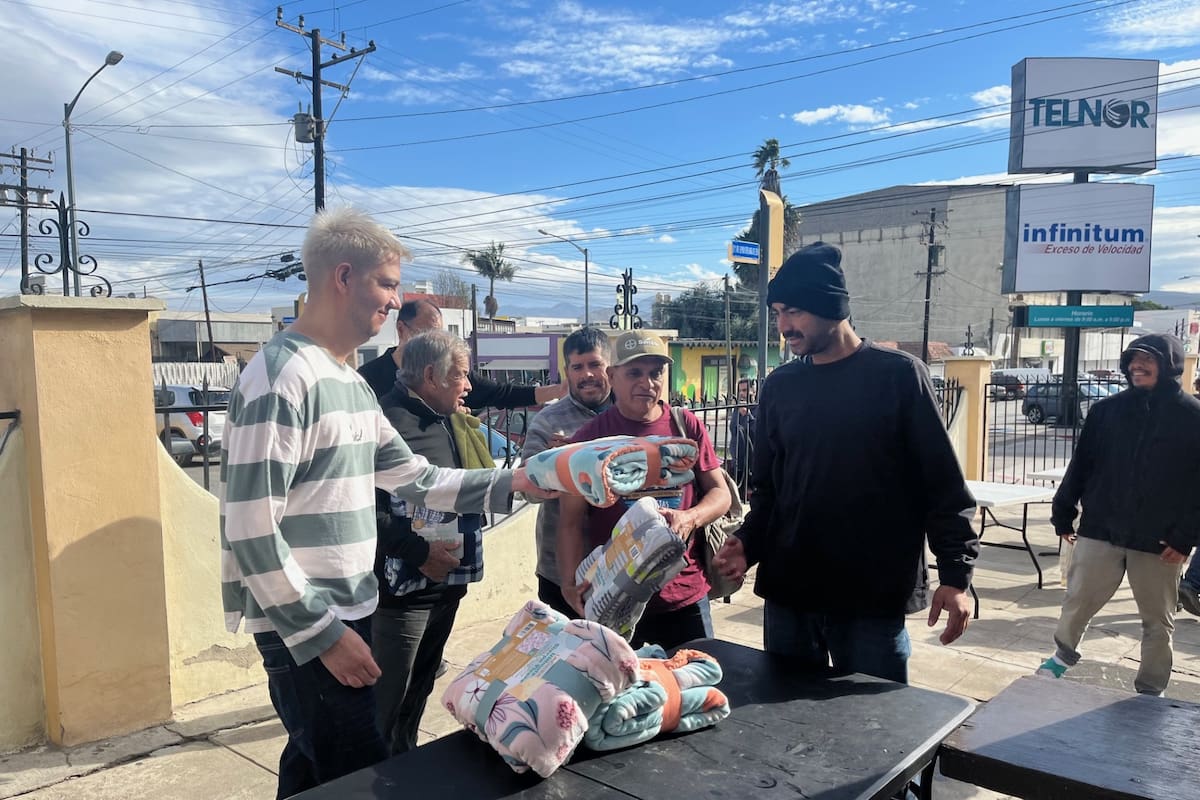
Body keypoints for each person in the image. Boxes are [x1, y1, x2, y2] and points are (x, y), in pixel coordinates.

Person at [219, 207, 551, 798]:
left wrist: (517, 482)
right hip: (310, 629)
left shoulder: (344, 379)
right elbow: (250, 530)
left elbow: (416, 478)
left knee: (311, 774)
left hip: (346, 613)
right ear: (343, 276)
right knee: (366, 781)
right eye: (388, 284)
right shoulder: (280, 376)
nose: (396, 303)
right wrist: (322, 635)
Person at [712, 241, 979, 685]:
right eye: (776, 313)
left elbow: (942, 486)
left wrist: (956, 575)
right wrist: (749, 542)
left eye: (793, 311)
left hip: (870, 599)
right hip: (790, 596)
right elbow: (770, 489)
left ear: (831, 306)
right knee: (783, 725)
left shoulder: (898, 376)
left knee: (877, 735)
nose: (783, 326)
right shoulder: (780, 386)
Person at [1036, 334, 1200, 695]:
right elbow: (1081, 465)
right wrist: (1063, 510)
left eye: (1147, 359)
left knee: (1158, 622)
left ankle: (1151, 689)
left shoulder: (1192, 416)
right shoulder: (1106, 411)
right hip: (1101, 528)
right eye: (1132, 359)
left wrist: (1187, 537)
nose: (1136, 366)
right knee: (1077, 602)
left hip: (1160, 541)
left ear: (1169, 364)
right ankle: (1061, 658)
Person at [557, 331, 731, 648]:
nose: (647, 383)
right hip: (616, 601)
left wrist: (690, 517)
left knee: (696, 689)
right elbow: (569, 520)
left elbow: (721, 493)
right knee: (626, 695)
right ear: (612, 376)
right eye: (635, 373)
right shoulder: (588, 438)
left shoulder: (686, 425)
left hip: (685, 597)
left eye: (656, 373)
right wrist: (569, 584)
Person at [372, 330, 496, 754]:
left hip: (446, 587)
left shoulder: (447, 419)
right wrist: (420, 553)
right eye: (461, 375)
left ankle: (401, 774)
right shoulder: (387, 423)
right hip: (401, 599)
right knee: (385, 704)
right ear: (430, 375)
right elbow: (367, 510)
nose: (468, 385)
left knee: (417, 694)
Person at [521, 327, 613, 617]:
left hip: (620, 565)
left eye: (595, 364)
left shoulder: (627, 413)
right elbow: (526, 489)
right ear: (567, 371)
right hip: (561, 572)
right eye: (578, 367)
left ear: (610, 366)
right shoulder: (548, 422)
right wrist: (555, 464)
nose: (587, 374)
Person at [359, 297, 566, 409]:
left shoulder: (452, 374)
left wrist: (559, 390)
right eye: (426, 333)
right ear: (401, 329)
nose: (434, 341)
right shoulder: (366, 379)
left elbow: (501, 393)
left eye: (439, 333)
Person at [726, 377, 756, 498]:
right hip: (738, 458)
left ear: (753, 390)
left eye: (745, 390)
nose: (743, 394)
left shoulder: (759, 407)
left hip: (752, 460)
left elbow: (757, 432)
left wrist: (748, 415)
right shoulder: (737, 409)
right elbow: (733, 429)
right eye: (740, 391)